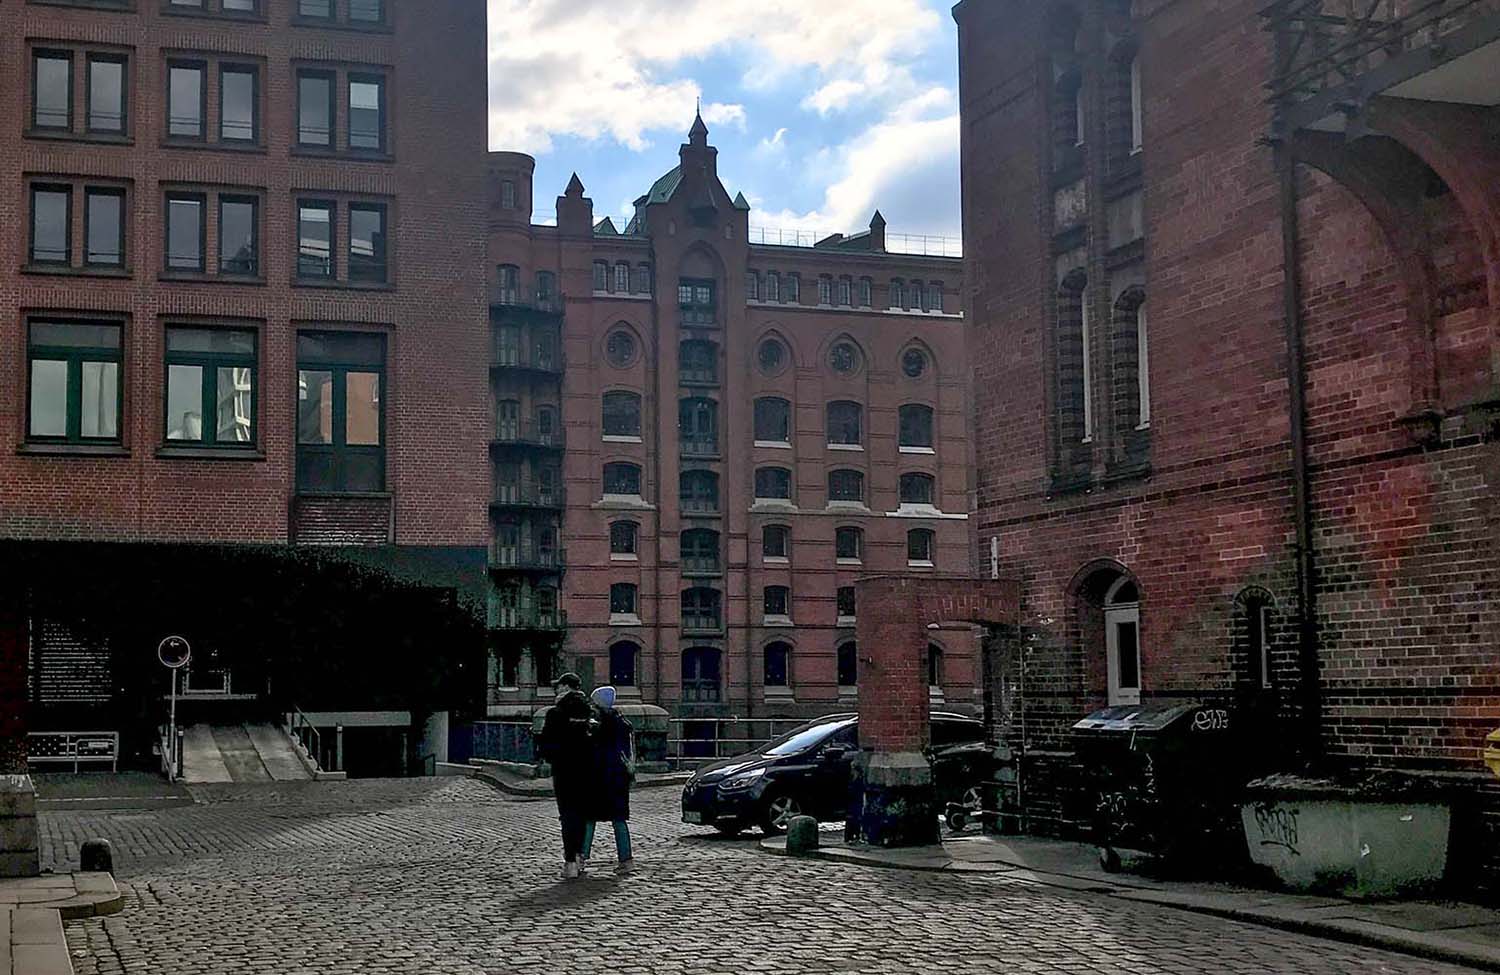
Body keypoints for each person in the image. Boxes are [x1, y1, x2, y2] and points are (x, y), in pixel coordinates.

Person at [536, 672, 593, 879]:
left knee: (567, 814)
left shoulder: (555, 713)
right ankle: (580, 857)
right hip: (586, 769)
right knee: (582, 814)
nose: (556, 690)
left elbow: (547, 744)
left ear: (567, 687)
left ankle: (570, 862)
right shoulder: (589, 710)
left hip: (564, 769)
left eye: (559, 687)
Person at [581, 685, 635, 874]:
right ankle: (626, 859)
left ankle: (581, 857)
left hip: (600, 777)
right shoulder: (623, 724)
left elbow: (593, 752)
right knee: (619, 820)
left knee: (589, 819)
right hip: (619, 778)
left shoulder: (599, 727)